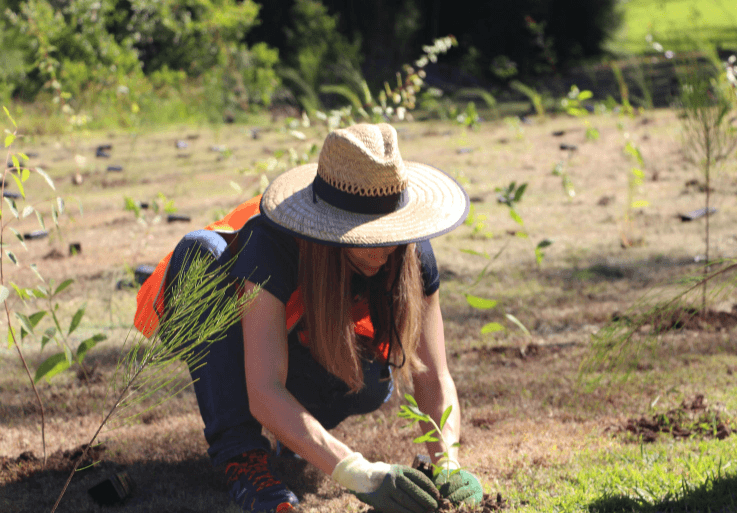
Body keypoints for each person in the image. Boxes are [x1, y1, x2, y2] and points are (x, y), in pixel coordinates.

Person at [135, 123, 483, 513]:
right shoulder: (272, 243)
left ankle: (297, 437)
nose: (384, 248)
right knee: (199, 252)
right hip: (231, 340)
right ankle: (243, 458)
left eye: (391, 231)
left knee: (372, 381)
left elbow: (434, 375)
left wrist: (448, 463)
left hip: (303, 350)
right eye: (368, 234)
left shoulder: (411, 252)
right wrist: (356, 471)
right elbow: (264, 388)